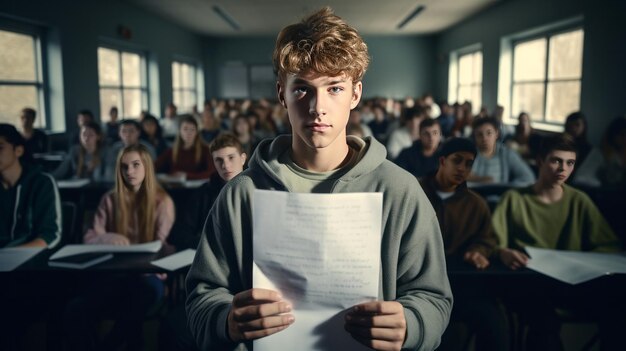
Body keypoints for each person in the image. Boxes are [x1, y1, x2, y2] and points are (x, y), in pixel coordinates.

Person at [186, 7, 452, 351]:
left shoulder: (399, 190)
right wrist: (225, 319)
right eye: (302, 89)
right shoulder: (242, 193)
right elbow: (200, 297)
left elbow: (433, 296)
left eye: (334, 89)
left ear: (356, 94)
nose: (317, 107)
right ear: (282, 93)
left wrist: (412, 323)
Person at [492, 134, 622, 350]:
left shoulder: (579, 200)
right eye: (556, 161)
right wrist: (503, 252)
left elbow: (608, 245)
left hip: (572, 283)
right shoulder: (514, 199)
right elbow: (493, 243)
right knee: (544, 323)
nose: (563, 169)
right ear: (540, 161)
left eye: (570, 163)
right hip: (529, 283)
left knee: (617, 311)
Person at [63, 144, 175, 351]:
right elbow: (89, 237)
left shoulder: (162, 202)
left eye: (135, 165)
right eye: (124, 167)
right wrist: (107, 237)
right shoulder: (110, 199)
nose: (129, 172)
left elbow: (159, 245)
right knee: (74, 309)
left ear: (147, 167)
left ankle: (108, 346)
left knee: (135, 304)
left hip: (149, 277)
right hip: (114, 274)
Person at [160, 133, 247, 351]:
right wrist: (211, 242)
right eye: (219, 160)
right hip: (209, 274)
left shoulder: (260, 191)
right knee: (173, 326)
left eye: (231, 158)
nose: (225, 165)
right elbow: (179, 234)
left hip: (246, 278)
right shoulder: (202, 194)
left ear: (243, 158)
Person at [419, 138, 508, 351]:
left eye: (469, 164)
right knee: (442, 337)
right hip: (419, 284)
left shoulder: (476, 204)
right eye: (457, 161)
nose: (462, 168)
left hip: (462, 284)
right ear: (442, 161)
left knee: (494, 323)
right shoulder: (414, 192)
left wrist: (477, 251)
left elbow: (485, 238)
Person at [0, 123, 61, 248]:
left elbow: (49, 235)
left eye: (0, 148)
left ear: (18, 150)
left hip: (28, 257)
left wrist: (10, 255)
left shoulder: (42, 182)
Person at [468, 117, 535, 187]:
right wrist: (481, 179)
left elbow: (528, 178)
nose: (484, 138)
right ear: (474, 137)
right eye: (479, 135)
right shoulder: (469, 154)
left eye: (489, 133)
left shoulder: (507, 154)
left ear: (496, 134)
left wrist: (508, 190)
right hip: (471, 195)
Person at [155, 115, 215, 180]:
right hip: (174, 187)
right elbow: (155, 166)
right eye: (185, 129)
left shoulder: (205, 150)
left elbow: (212, 172)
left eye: (192, 129)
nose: (189, 133)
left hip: (198, 188)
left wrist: (187, 176)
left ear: (196, 132)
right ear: (180, 131)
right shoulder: (171, 151)